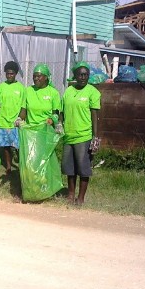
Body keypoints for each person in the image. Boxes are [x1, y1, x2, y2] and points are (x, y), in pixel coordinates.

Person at [59, 61, 101, 206]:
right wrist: (60, 124)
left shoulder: (92, 92)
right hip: (68, 136)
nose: (83, 77)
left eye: (86, 75)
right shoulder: (69, 91)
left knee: (83, 168)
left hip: (84, 136)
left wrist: (95, 137)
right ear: (75, 76)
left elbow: (94, 115)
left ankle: (81, 197)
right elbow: (62, 111)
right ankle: (70, 194)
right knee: (70, 168)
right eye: (80, 74)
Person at [0, 61, 25, 174]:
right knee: (6, 147)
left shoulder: (21, 88)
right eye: (7, 73)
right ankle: (8, 166)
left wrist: (20, 119)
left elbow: (23, 106)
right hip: (3, 121)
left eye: (12, 73)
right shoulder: (1, 87)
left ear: (16, 74)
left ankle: (21, 165)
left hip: (15, 123)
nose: (9, 75)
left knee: (18, 146)